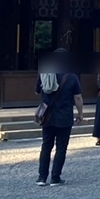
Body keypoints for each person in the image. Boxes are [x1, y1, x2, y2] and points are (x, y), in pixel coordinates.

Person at [35, 50, 84, 186]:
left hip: (47, 116)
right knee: (61, 148)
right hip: (64, 116)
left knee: (46, 147)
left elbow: (37, 91)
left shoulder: (44, 74)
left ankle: (42, 177)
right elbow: (78, 97)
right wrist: (80, 113)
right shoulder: (71, 77)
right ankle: (55, 177)